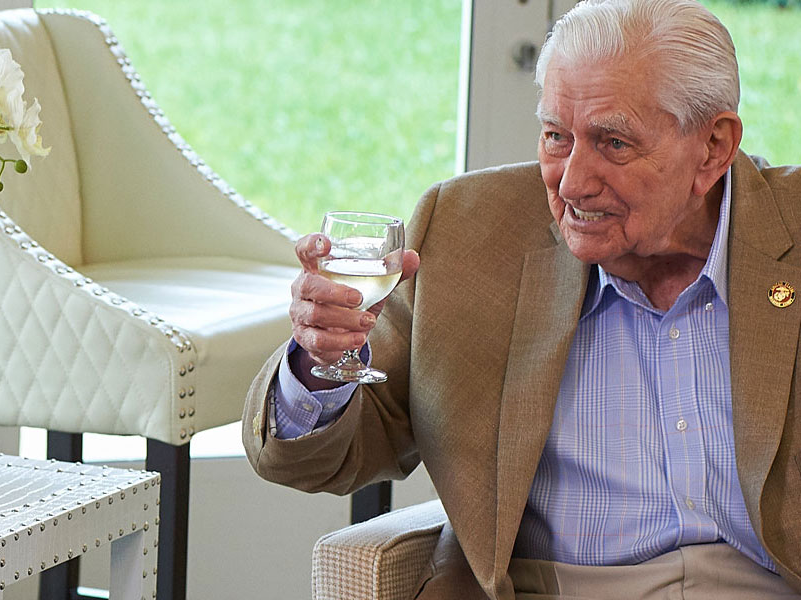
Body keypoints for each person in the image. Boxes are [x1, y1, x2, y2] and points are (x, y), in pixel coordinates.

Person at [243, 0, 801, 598]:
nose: (572, 181)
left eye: (614, 143)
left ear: (714, 146)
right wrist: (320, 361)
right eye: (557, 136)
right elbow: (323, 455)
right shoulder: (469, 231)